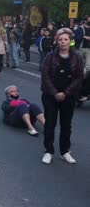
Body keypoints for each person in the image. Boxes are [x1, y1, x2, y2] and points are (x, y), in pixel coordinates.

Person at [41, 28, 84, 165]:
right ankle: (48, 151)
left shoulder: (77, 57)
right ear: (57, 41)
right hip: (50, 96)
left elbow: (79, 77)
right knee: (50, 123)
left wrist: (65, 93)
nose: (63, 42)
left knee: (66, 125)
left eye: (66, 39)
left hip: (68, 96)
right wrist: (55, 93)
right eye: (60, 39)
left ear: (70, 41)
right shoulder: (50, 57)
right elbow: (45, 76)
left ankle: (65, 151)